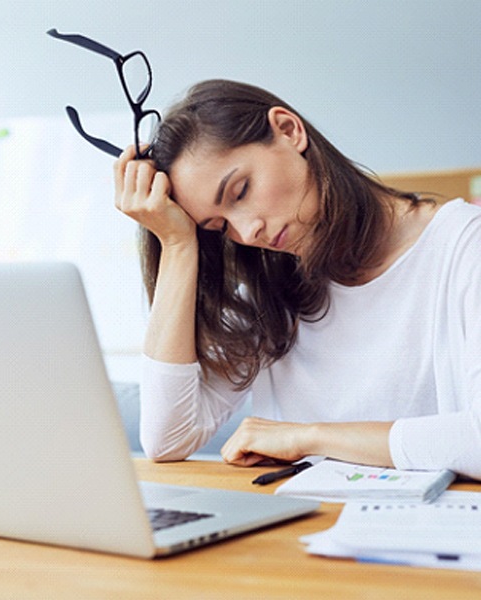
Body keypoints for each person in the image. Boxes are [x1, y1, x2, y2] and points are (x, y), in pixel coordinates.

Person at [113, 79, 481, 480]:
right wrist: (178, 245)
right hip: (302, 533)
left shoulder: (464, 247)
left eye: (240, 191)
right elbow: (167, 438)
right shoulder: (267, 288)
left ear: (289, 130)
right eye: (219, 225)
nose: (247, 232)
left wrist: (309, 438)